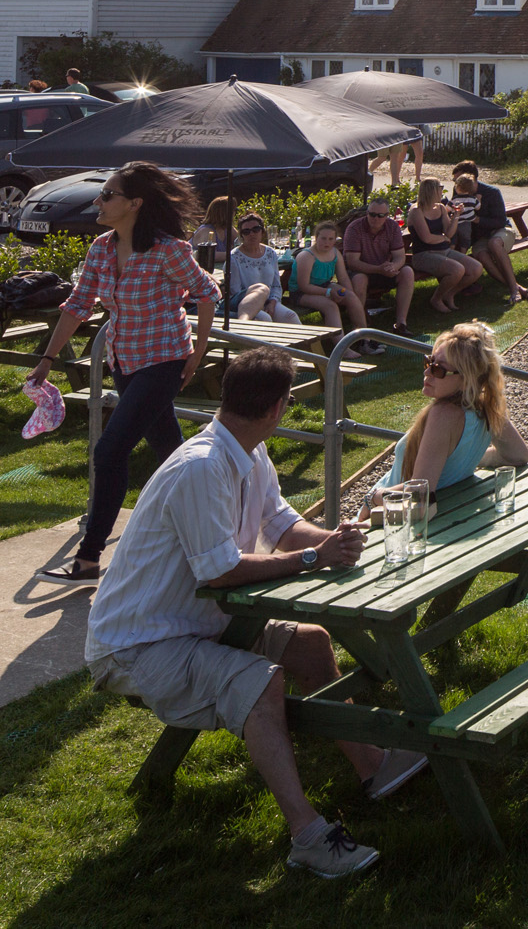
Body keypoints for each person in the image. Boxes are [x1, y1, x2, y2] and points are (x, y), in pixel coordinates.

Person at [82, 347, 426, 878]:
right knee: (261, 681)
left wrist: (332, 541)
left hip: (198, 625)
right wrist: (312, 558)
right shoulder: (201, 468)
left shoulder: (246, 449)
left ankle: (373, 767)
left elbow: (282, 525)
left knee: (310, 642)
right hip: (137, 645)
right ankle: (307, 834)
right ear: (279, 407)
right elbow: (218, 572)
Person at [30, 162, 218, 587]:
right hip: (124, 361)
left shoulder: (170, 250)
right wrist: (46, 360)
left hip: (164, 360)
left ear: (135, 203)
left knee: (110, 450)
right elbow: (79, 305)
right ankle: (211, 533)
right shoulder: (101, 246)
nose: (98, 200)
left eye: (107, 195)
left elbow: (208, 293)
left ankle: (88, 559)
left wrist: (196, 354)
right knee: (172, 454)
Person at [366, 321, 528, 515]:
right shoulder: (485, 408)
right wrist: (467, 458)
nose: (427, 372)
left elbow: (419, 494)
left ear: (465, 379)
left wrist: (372, 497)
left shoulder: (443, 415)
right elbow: (518, 455)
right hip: (452, 509)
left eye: (439, 369)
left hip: (393, 516)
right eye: (428, 362)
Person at [453, 160, 528, 303]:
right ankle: (516, 287)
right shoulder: (459, 192)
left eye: (457, 179)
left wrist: (477, 219)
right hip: (480, 238)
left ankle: (514, 290)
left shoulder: (491, 192)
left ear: (470, 178)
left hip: (501, 232)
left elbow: (500, 221)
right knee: (482, 255)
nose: (455, 183)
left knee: (494, 243)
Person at [406, 177, 484, 314]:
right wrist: (443, 238)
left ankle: (449, 293)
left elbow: (449, 232)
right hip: (424, 254)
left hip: (444, 250)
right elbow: (427, 238)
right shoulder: (416, 211)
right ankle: (436, 299)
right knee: (457, 270)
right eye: (440, 188)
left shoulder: (441, 207)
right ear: (432, 191)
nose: (442, 191)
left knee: (476, 268)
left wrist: (456, 216)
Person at [341, 197, 415, 338]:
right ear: (367, 213)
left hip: (384, 270)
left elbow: (400, 256)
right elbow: (352, 262)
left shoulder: (392, 227)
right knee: (360, 280)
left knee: (407, 272)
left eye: (380, 215)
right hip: (361, 271)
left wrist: (393, 266)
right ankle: (359, 327)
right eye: (372, 214)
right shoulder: (355, 228)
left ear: (387, 216)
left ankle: (401, 323)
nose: (376, 218)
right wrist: (378, 269)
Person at [292, 220, 370, 347]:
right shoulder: (307, 256)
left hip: (324, 285)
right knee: (330, 306)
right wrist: (328, 292)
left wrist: (350, 294)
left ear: (335, 240)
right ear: (316, 238)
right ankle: (342, 347)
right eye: (323, 238)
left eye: (330, 239)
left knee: (351, 297)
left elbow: (343, 277)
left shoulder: (335, 253)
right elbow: (304, 286)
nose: (327, 242)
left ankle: (364, 338)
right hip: (301, 293)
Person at [228, 212, 300, 325]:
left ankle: (302, 343)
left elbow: (276, 285)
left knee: (291, 316)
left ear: (262, 231)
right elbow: (235, 292)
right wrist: (258, 305)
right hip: (245, 304)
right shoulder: (234, 258)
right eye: (246, 232)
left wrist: (272, 303)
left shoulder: (270, 253)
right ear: (241, 235)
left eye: (256, 229)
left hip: (269, 301)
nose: (251, 234)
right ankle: (268, 343)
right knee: (265, 319)